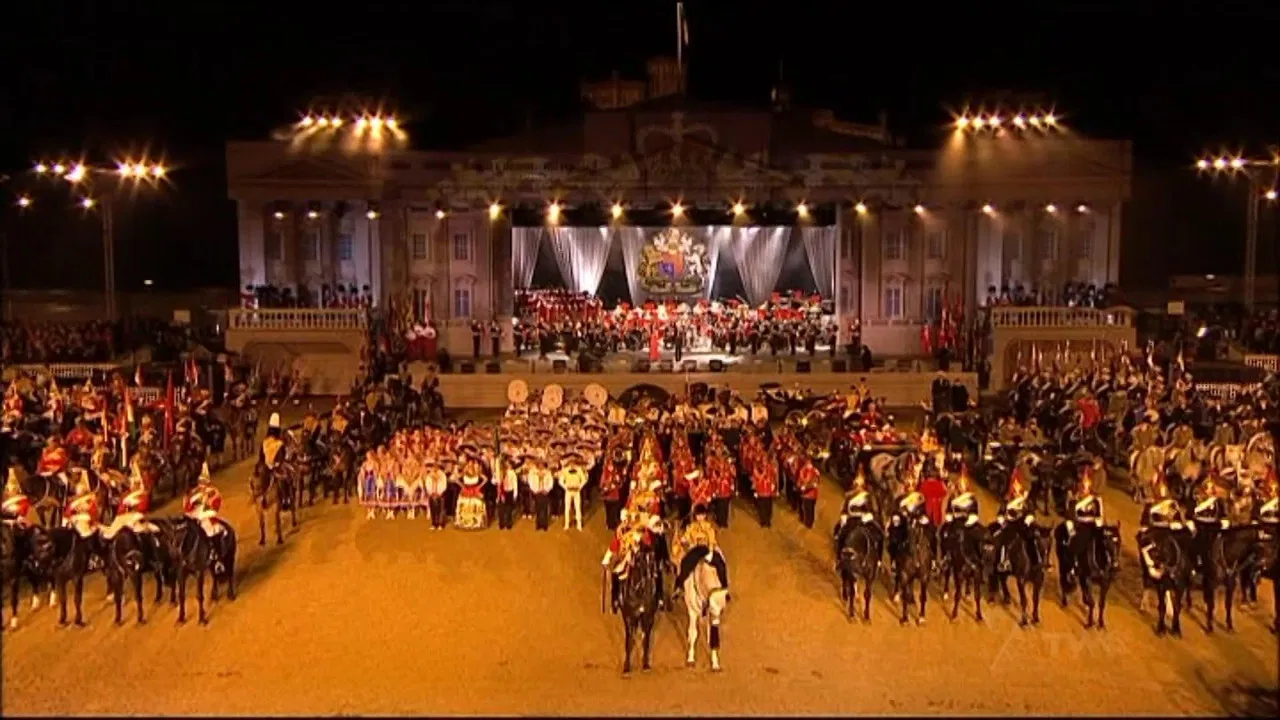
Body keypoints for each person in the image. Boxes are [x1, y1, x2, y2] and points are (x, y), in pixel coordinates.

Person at [671, 505, 730, 601]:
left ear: (705, 515)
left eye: (702, 515)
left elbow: (711, 538)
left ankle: (725, 587)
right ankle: (680, 586)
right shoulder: (692, 527)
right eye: (698, 515)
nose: (700, 517)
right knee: (685, 562)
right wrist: (681, 539)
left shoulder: (708, 526)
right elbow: (686, 537)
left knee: (721, 564)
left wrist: (711, 551)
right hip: (696, 549)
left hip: (707, 548)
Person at [1138, 482, 1185, 575]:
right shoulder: (1151, 505)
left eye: (1163, 490)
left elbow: (1180, 519)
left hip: (1171, 532)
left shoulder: (1172, 504)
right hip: (1156, 532)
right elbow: (1145, 522)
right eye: (1159, 490)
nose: (1161, 492)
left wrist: (1178, 524)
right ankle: (1150, 567)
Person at [101, 470, 158, 540]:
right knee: (122, 521)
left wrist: (129, 499)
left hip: (137, 513)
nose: (132, 482)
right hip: (130, 514)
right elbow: (124, 481)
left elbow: (140, 494)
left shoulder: (140, 490)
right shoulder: (131, 490)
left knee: (122, 521)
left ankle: (147, 527)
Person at [184, 461, 226, 537]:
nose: (201, 484)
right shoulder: (195, 492)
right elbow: (189, 504)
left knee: (207, 525)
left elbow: (215, 503)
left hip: (208, 512)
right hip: (196, 513)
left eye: (203, 482)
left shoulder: (212, 491)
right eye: (200, 482)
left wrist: (205, 504)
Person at [63, 472, 101, 538]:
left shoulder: (71, 517)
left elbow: (71, 505)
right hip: (87, 489)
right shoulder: (92, 515)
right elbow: (93, 497)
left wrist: (84, 498)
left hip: (73, 490)